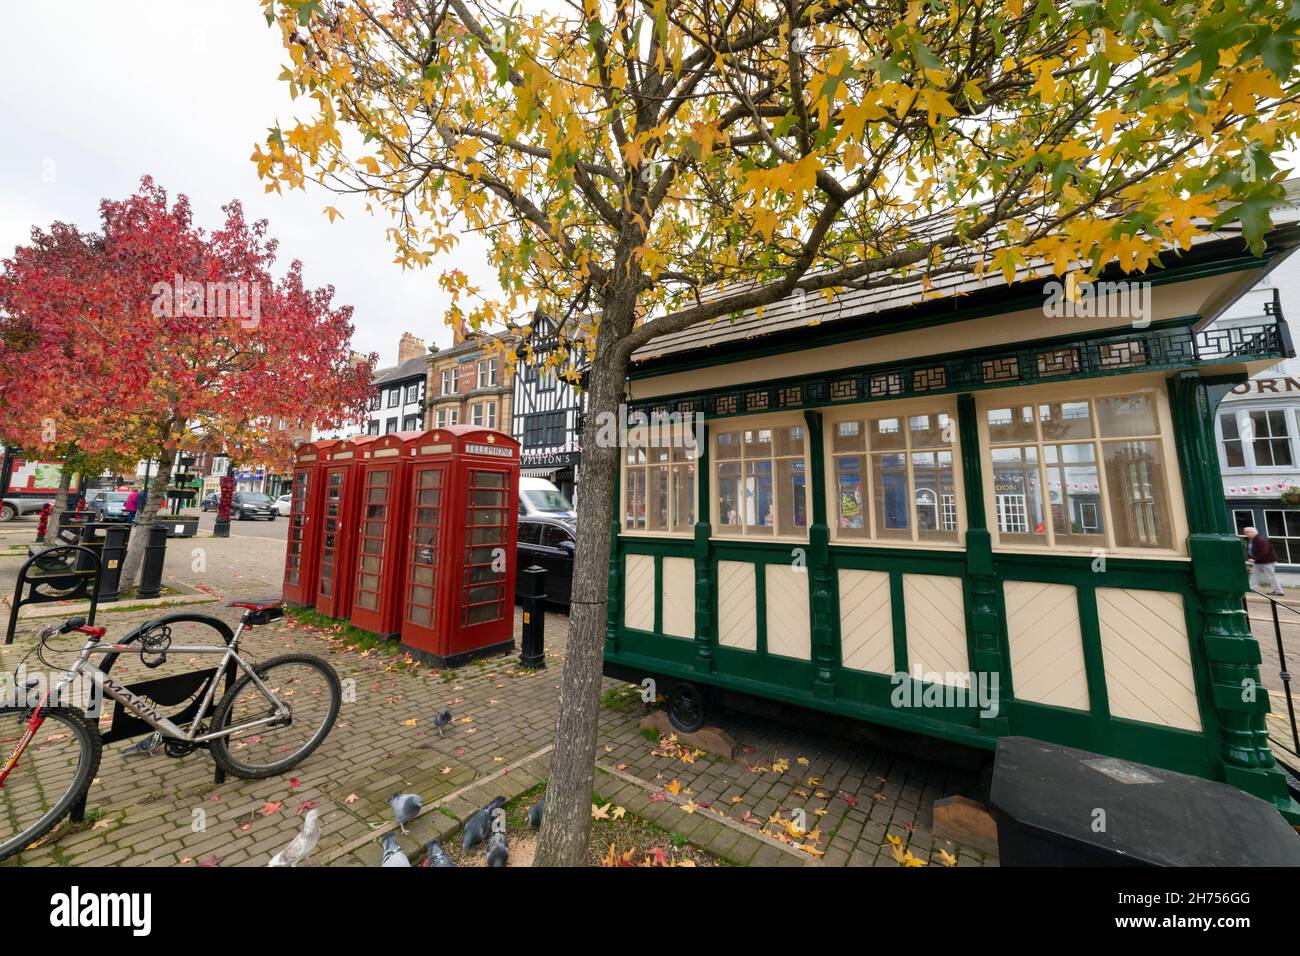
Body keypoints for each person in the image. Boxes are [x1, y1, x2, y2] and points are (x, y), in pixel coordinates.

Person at [1244, 527, 1285, 596]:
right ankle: (1252, 588)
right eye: (1245, 532)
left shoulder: (1261, 540)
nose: (1245, 534)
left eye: (1247, 532)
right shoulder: (1251, 540)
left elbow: (1264, 551)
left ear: (1253, 532)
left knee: (1271, 576)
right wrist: (1251, 558)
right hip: (1258, 561)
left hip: (1267, 561)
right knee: (1254, 574)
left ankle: (1279, 591)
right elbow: (1251, 550)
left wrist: (1254, 558)